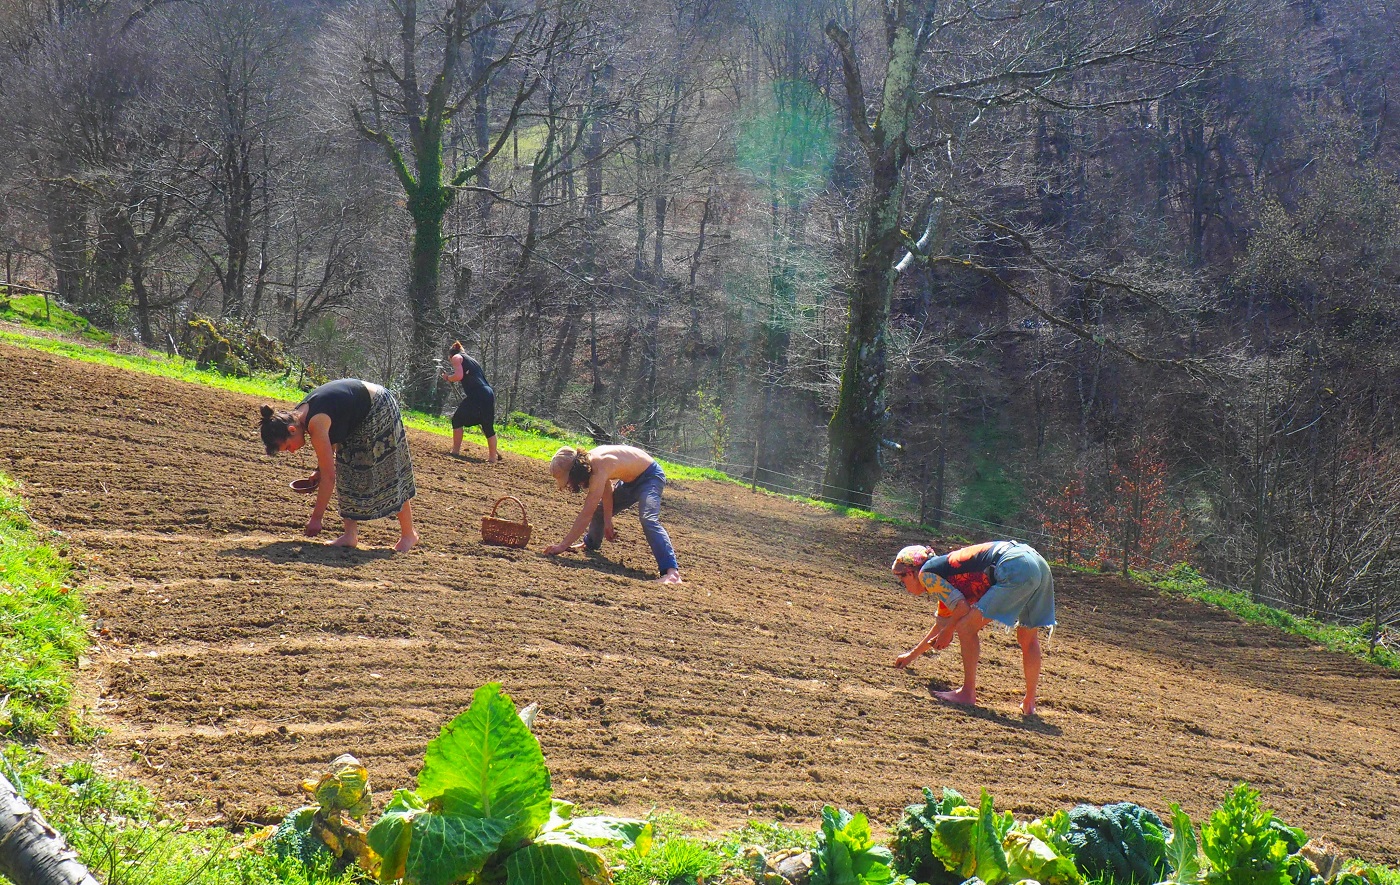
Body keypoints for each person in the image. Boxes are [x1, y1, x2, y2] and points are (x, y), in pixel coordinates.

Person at [891, 540, 1054, 715]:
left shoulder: (926, 575)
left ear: (912, 572)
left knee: (965, 628)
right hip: (1037, 563)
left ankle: (967, 693)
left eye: (902, 579)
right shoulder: (943, 575)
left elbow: (961, 609)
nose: (904, 586)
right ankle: (1029, 702)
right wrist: (911, 655)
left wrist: (948, 631)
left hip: (1014, 565)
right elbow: (942, 624)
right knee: (1028, 638)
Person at [258, 378, 419, 553]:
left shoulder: (315, 422)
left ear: (291, 430)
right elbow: (334, 430)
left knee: (387, 469)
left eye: (288, 447)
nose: (292, 452)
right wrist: (319, 470)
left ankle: (408, 535)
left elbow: (329, 478)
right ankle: (350, 536)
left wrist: (316, 519)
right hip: (357, 412)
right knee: (346, 468)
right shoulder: (298, 416)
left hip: (378, 406)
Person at [542, 444, 682, 584]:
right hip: (629, 483)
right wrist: (607, 520)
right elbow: (607, 488)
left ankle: (672, 573)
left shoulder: (599, 465)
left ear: (574, 471)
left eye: (568, 480)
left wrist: (562, 546)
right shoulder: (592, 464)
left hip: (650, 477)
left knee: (648, 519)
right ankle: (590, 543)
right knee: (600, 511)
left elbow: (586, 513)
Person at [440, 341, 498, 463]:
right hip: (488, 393)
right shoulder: (472, 360)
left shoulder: (456, 357)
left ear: (451, 355)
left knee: (457, 420)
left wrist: (448, 378)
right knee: (487, 425)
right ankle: (492, 458)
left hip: (477, 393)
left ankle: (455, 451)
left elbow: (458, 376)